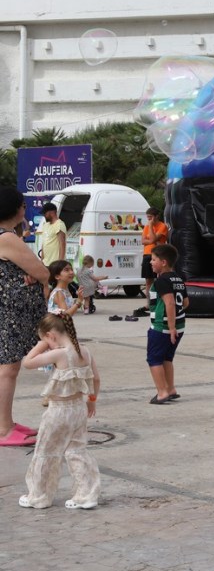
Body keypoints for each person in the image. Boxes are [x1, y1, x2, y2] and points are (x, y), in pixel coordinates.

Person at [19, 313, 101, 509]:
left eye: (46, 340)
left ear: (51, 335)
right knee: (77, 451)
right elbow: (96, 379)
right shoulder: (85, 351)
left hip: (58, 412)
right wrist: (92, 401)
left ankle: (39, 496)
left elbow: (27, 362)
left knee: (46, 451)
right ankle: (86, 495)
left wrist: (41, 344)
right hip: (79, 409)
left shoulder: (59, 354)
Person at [0, 187, 50, 448]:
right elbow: (43, 272)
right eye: (22, 205)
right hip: (9, 313)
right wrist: (35, 276)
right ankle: (3, 429)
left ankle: (6, 422)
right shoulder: (7, 237)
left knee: (9, 367)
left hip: (9, 311)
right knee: (8, 369)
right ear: (14, 209)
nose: (24, 209)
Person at [147, 244, 188, 405]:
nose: (151, 262)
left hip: (162, 328)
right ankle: (170, 388)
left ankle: (162, 392)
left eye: (154, 259)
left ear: (163, 262)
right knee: (167, 358)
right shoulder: (178, 279)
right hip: (180, 325)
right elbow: (186, 302)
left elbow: (169, 303)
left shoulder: (162, 281)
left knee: (154, 359)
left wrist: (171, 327)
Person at [138, 208, 168, 317]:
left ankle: (160, 303)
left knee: (159, 279)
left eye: (150, 217)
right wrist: (151, 239)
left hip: (157, 255)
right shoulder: (146, 227)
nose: (149, 220)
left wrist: (151, 228)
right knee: (148, 281)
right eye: (148, 218)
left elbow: (153, 240)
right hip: (147, 255)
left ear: (156, 216)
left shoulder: (162, 226)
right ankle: (149, 303)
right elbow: (143, 241)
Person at [37, 202, 66, 266]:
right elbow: (44, 244)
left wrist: (60, 263)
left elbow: (62, 244)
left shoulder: (59, 224)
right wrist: (42, 260)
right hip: (45, 263)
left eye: (45, 213)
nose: (44, 215)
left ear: (52, 212)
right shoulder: (45, 225)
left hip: (55, 264)